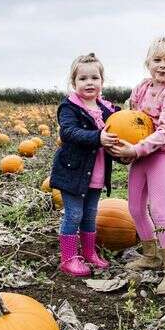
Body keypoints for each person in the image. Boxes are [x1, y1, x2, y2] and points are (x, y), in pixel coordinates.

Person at [109, 37, 165, 295]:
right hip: (141, 155)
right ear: (148, 62)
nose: (162, 66)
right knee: (134, 207)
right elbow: (132, 120)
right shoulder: (141, 89)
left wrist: (135, 149)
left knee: (159, 209)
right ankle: (151, 254)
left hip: (163, 154)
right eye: (157, 60)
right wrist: (125, 149)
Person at [49, 53, 120, 277]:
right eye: (83, 78)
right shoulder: (69, 108)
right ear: (74, 82)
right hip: (72, 173)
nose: (89, 82)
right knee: (73, 214)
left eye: (94, 78)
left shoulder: (108, 109)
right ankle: (69, 258)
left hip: (96, 173)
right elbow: (69, 132)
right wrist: (97, 137)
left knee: (90, 214)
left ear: (102, 81)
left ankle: (89, 253)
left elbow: (125, 124)